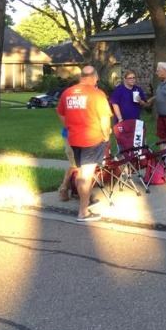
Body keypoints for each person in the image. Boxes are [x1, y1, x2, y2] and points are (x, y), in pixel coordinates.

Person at [56, 65, 112, 222]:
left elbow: (60, 112)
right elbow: (104, 119)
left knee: (81, 173)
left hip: (74, 139)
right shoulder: (97, 94)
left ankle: (83, 204)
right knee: (86, 175)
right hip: (92, 139)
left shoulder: (68, 92)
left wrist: (69, 125)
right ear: (95, 77)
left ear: (82, 77)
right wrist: (106, 137)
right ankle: (83, 211)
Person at [57, 127, 77, 202]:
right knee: (75, 165)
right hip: (73, 135)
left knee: (79, 166)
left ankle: (72, 188)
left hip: (82, 134)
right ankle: (64, 188)